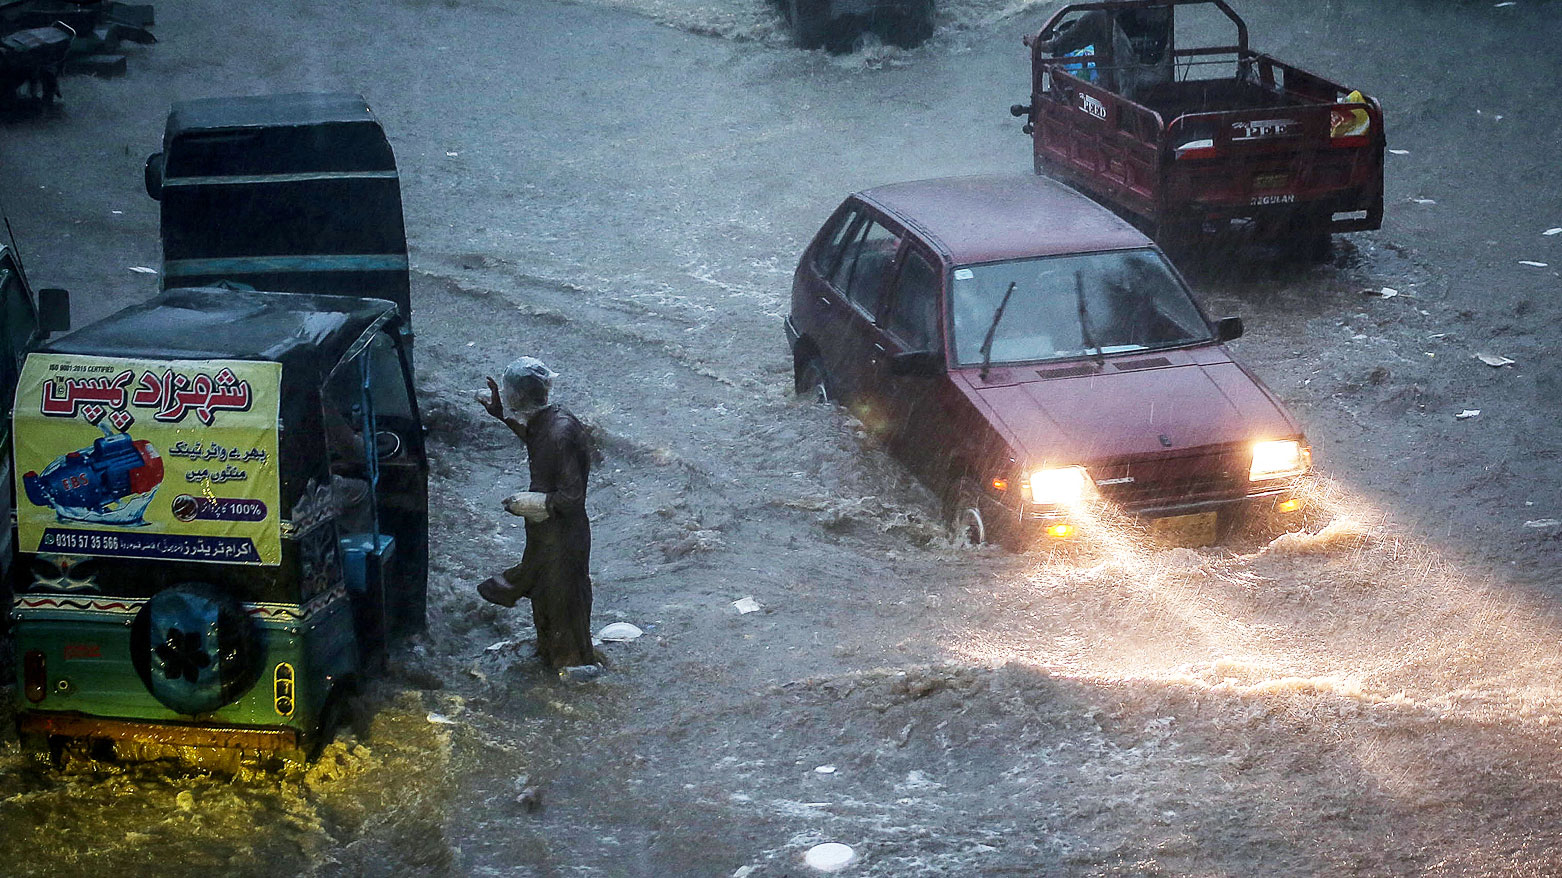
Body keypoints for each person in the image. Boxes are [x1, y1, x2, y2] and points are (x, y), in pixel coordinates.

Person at [475, 357, 597, 671]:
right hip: (546, 536)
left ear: (519, 395)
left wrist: (535, 503)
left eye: (508, 393)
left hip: (563, 540)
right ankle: (551, 664)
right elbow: (533, 439)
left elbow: (572, 497)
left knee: (563, 607)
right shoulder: (547, 423)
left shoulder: (559, 433)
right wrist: (501, 415)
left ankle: (570, 673)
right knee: (545, 600)